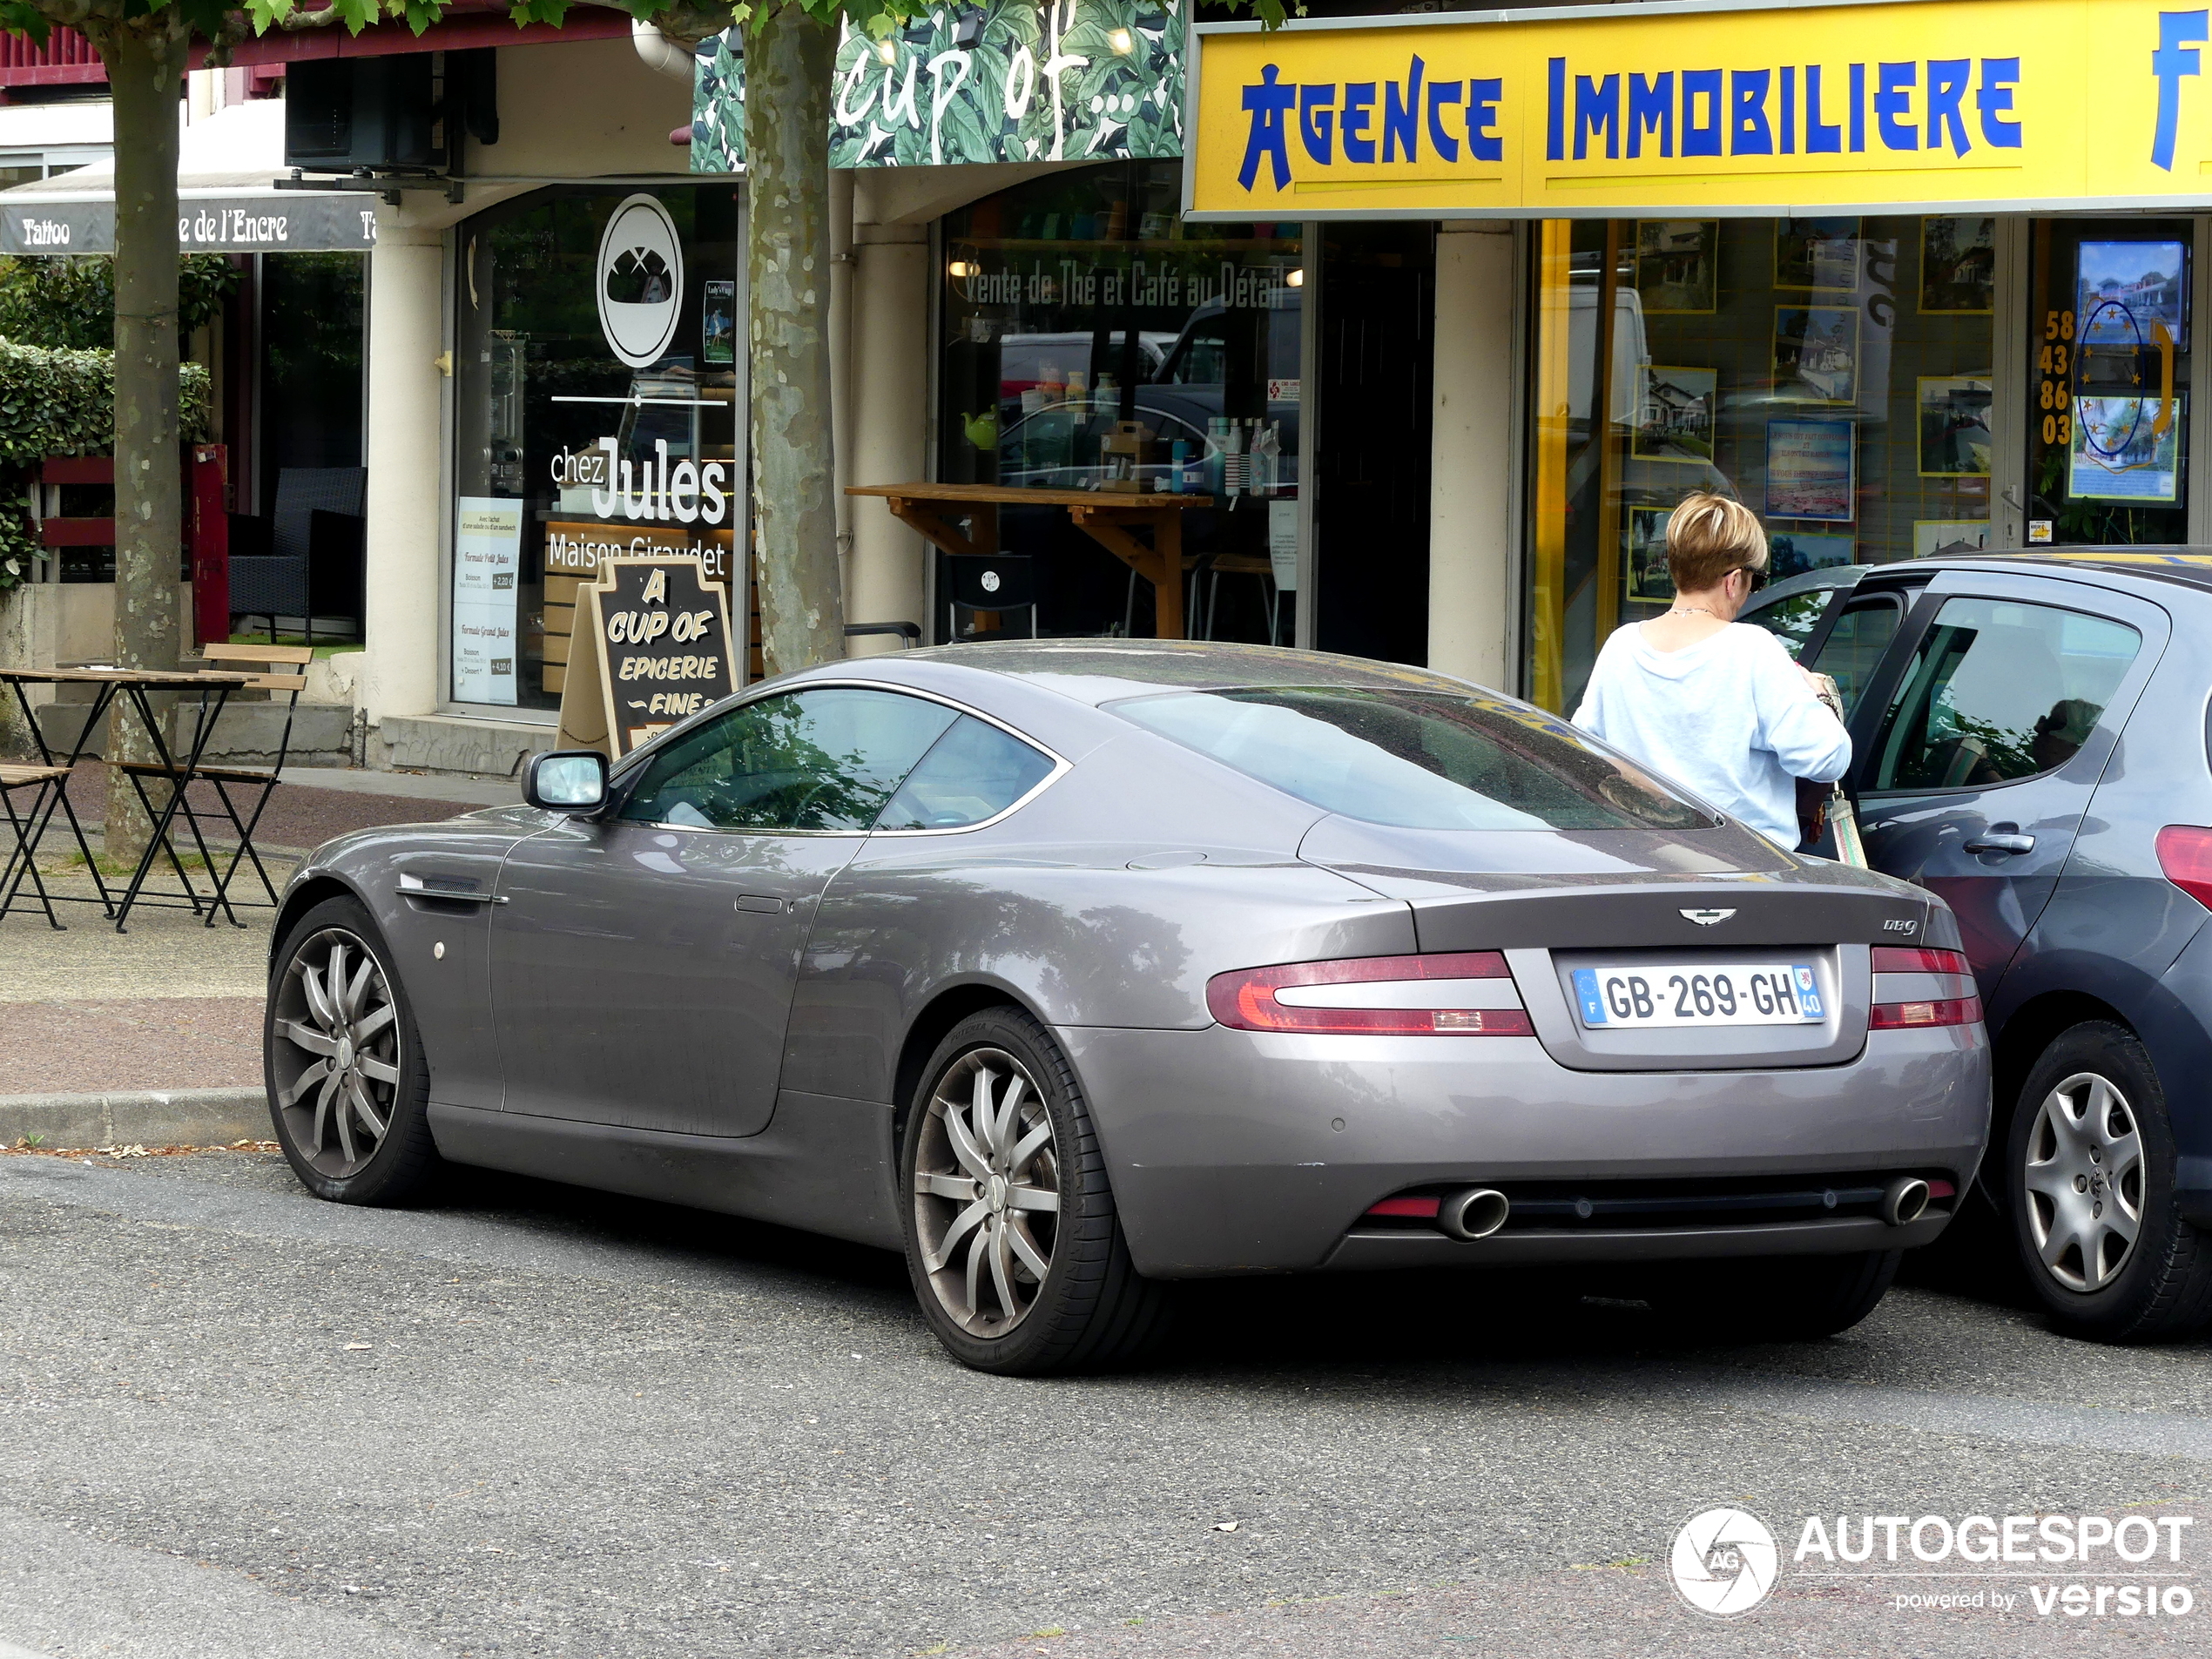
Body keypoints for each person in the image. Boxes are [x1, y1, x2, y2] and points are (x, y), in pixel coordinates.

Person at [1574, 493, 1849, 851]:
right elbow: (1827, 760)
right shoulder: (1752, 649)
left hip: (1642, 861)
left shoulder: (1621, 646)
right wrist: (1820, 696)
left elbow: (1583, 746)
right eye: (1757, 580)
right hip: (1743, 870)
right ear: (1734, 580)